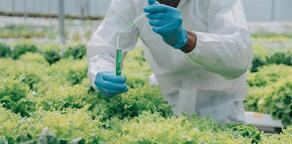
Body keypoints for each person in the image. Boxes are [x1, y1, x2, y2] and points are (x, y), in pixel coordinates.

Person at [87, 0, 253, 122]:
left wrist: (186, 39)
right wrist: (102, 71)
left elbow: (238, 55)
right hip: (166, 106)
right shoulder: (131, 3)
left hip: (219, 108)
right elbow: (105, 45)